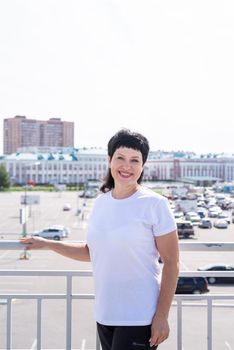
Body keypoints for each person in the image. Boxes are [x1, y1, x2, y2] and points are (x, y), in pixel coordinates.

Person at [21, 129, 179, 350]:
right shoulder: (100, 203)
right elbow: (91, 252)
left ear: (143, 165)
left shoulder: (155, 204)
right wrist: (48, 243)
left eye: (135, 160)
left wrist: (161, 316)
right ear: (109, 160)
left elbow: (172, 262)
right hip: (105, 314)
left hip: (139, 315)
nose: (127, 166)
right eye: (120, 158)